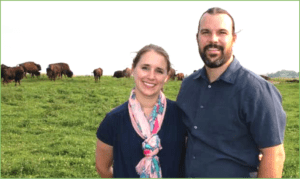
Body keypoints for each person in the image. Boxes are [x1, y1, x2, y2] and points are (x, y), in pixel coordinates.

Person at [176, 7, 286, 178]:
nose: (213, 40)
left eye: (222, 32)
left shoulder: (257, 91)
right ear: (197, 38)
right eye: (206, 32)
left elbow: (274, 154)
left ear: (233, 39)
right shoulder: (188, 85)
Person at [95, 44, 186, 178]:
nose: (151, 76)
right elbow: (103, 168)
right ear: (133, 70)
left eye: (159, 71)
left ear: (167, 77)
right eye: (145, 68)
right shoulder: (113, 120)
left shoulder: (181, 116)